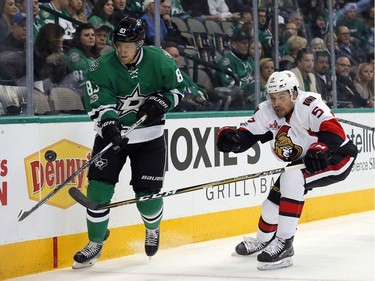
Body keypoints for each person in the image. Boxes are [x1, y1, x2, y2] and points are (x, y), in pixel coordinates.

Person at [216, 70, 358, 270]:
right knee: (270, 207)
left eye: (282, 97)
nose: (276, 103)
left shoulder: (310, 104)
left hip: (336, 157)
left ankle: (285, 243)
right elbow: (248, 134)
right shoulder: (267, 111)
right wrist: (234, 139)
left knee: (291, 176)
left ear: (293, 93)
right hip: (303, 161)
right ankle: (263, 240)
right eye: (273, 97)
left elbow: (335, 134)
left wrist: (321, 148)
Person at [72, 17, 184, 269]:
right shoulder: (100, 66)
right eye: (119, 43)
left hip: (149, 137)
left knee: (147, 194)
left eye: (129, 45)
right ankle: (95, 242)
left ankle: (152, 229)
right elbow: (99, 102)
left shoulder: (160, 60)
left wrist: (164, 101)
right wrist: (110, 125)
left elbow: (178, 89)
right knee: (98, 189)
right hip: (111, 138)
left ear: (141, 44)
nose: (123, 50)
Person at [216, 31, 254, 109]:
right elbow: (230, 85)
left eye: (247, 43)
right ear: (234, 45)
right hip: (240, 97)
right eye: (244, 43)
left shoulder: (249, 60)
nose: (247, 46)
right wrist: (250, 85)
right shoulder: (226, 62)